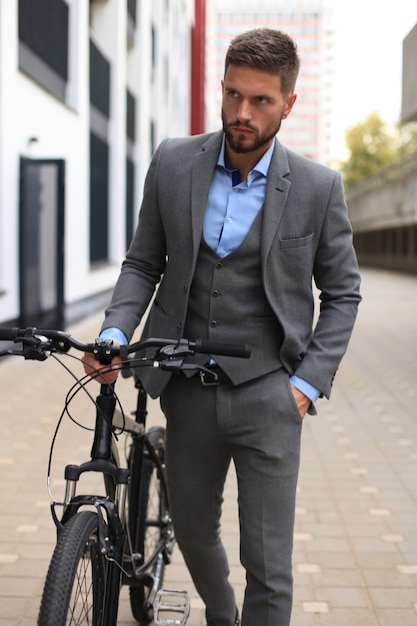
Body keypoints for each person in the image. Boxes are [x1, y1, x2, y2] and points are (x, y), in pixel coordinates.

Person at [83, 28, 361, 626]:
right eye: (233, 94)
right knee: (191, 531)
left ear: (289, 102)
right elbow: (141, 264)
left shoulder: (318, 188)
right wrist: (114, 333)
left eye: (260, 100)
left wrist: (304, 388)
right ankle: (221, 614)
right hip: (186, 389)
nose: (242, 113)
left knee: (269, 563)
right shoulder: (173, 162)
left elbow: (343, 294)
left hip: (271, 393)